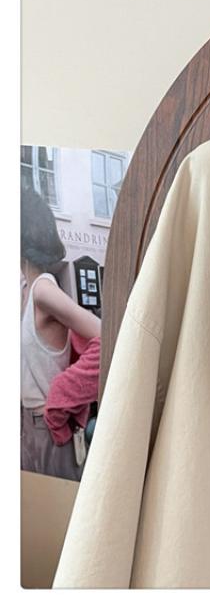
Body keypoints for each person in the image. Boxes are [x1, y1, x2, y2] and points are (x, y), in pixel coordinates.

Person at [21, 186, 100, 480]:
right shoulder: (24, 289)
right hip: (26, 428)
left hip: (49, 428)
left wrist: (60, 397)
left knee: (59, 507)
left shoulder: (43, 290)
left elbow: (108, 339)